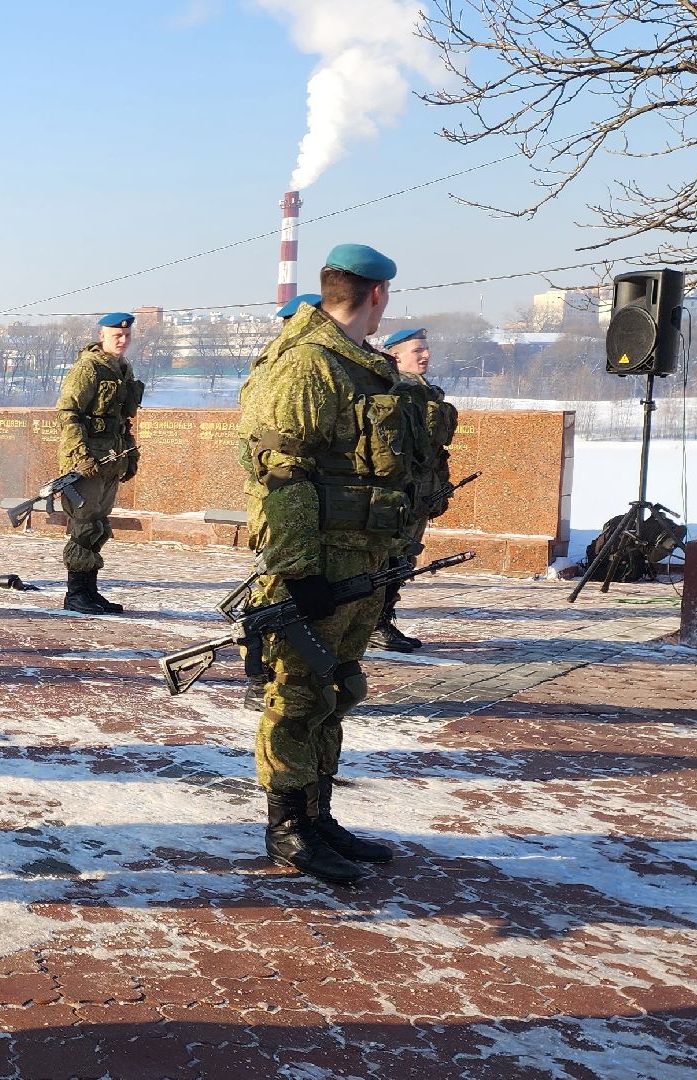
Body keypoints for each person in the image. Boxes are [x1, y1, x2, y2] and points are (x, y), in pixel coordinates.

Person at [237, 243, 423, 886]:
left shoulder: (357, 366)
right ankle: (286, 828)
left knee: (335, 689)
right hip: (319, 566)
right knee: (296, 694)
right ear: (378, 295)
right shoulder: (310, 365)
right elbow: (281, 472)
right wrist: (298, 570)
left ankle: (317, 815)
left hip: (358, 563)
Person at [54, 312, 143, 615]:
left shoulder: (122, 370)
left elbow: (122, 422)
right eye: (116, 335)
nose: (122, 339)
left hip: (110, 461)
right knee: (84, 524)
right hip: (87, 462)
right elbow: (68, 414)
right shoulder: (88, 369)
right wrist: (79, 456)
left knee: (98, 526)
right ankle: (76, 593)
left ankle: (90, 591)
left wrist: (129, 454)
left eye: (127, 335)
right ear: (101, 335)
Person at [375, 327, 456, 652]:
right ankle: (375, 624)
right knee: (390, 560)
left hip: (420, 493)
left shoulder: (424, 391)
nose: (425, 355)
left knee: (402, 560)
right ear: (396, 355)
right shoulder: (397, 390)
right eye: (416, 350)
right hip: (400, 494)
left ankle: (380, 621)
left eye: (426, 348)